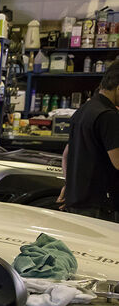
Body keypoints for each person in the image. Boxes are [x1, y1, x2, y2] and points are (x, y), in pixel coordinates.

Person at [60, 61, 119, 222]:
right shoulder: (109, 116)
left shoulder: (83, 110)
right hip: (100, 205)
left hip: (78, 201)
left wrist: (70, 185)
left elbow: (66, 155)